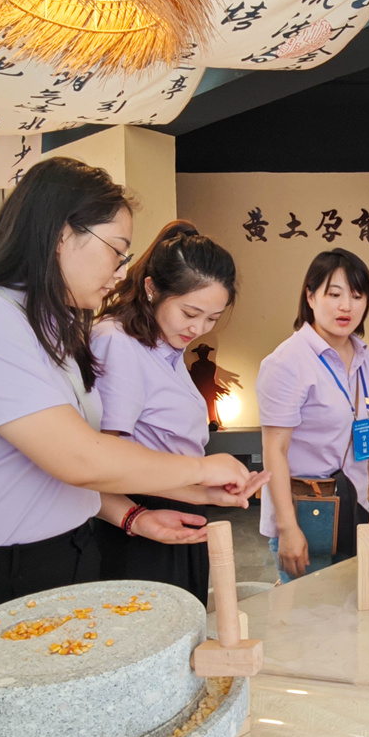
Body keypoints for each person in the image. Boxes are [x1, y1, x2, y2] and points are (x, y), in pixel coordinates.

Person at [0, 158, 254, 726]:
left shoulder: (52, 326)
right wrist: (200, 470)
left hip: (60, 561)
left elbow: (54, 472)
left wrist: (133, 517)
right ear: (61, 234)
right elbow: (78, 457)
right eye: (116, 250)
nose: (120, 270)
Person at [91, 220, 267, 605]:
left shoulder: (167, 349)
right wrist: (199, 475)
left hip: (174, 504)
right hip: (138, 513)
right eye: (190, 313)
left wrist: (206, 493)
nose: (198, 328)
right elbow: (103, 459)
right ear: (152, 288)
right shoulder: (117, 342)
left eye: (212, 319)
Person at [258, 250, 369, 582]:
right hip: (305, 514)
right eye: (334, 294)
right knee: (311, 611)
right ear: (310, 296)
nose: (346, 306)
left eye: (357, 296)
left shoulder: (366, 358)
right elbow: (274, 450)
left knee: (355, 606)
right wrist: (288, 528)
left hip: (355, 511)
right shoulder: (287, 361)